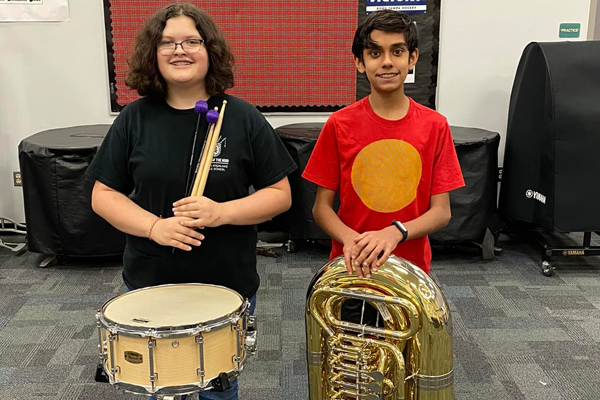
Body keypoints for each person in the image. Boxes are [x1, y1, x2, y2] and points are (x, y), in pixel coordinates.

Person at [87, 4, 296, 400]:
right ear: (154, 53)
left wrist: (222, 212)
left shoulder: (241, 117)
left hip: (225, 281)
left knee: (218, 388)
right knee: (158, 387)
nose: (179, 50)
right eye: (167, 42)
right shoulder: (134, 118)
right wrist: (155, 226)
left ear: (209, 50)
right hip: (151, 279)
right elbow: (103, 194)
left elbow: (280, 195)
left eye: (191, 41)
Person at [302, 10, 464, 324]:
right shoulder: (339, 124)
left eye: (397, 51)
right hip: (352, 271)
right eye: (375, 53)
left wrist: (395, 233)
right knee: (350, 367)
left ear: (412, 58)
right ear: (360, 62)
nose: (387, 62)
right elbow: (321, 208)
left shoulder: (435, 126)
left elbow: (441, 212)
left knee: (407, 367)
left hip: (409, 273)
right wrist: (351, 239)